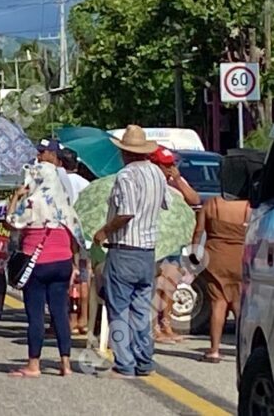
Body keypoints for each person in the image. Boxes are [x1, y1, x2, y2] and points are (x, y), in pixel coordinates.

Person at [93, 125, 169, 379]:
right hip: (148, 250)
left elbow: (126, 213)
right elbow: (164, 205)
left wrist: (104, 231)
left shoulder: (126, 176)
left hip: (124, 248)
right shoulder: (157, 174)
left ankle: (124, 363)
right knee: (140, 308)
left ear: (125, 152)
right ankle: (144, 360)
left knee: (119, 308)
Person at [4, 162, 83, 378]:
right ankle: (65, 363)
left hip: (36, 262)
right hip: (63, 261)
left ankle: (34, 364)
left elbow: (10, 223)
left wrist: (15, 198)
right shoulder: (64, 203)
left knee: (36, 315)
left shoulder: (31, 201)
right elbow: (75, 235)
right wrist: (75, 264)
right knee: (60, 313)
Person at [148, 146, 200, 344]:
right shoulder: (151, 181)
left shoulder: (176, 182)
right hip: (156, 239)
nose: (169, 168)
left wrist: (177, 179)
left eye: (171, 164)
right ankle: (154, 327)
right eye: (165, 165)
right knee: (155, 284)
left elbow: (194, 200)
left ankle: (166, 324)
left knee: (170, 284)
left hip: (174, 240)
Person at [193, 195, 249, 363]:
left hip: (215, 257)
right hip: (240, 257)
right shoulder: (248, 206)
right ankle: (242, 349)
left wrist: (195, 254)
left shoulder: (212, 203)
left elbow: (198, 231)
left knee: (218, 302)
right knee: (239, 304)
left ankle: (214, 350)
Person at [58, 148, 91, 335]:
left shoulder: (58, 182)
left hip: (65, 234)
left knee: (67, 278)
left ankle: (68, 319)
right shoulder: (86, 184)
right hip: (84, 235)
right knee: (84, 277)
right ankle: (84, 319)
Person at [37, 139, 74, 203]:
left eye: (42, 152)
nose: (38, 155)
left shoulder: (59, 173)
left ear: (53, 154)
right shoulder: (44, 171)